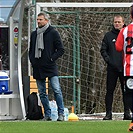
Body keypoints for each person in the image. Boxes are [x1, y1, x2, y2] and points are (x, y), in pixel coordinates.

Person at [29, 12, 65, 121]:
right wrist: (33, 61)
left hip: (50, 66)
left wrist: (51, 58)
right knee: (42, 92)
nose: (38, 21)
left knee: (56, 89)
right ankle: (47, 114)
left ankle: (61, 113)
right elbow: (31, 50)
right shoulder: (34, 34)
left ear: (46, 21)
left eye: (40, 19)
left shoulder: (53, 33)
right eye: (37, 19)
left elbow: (61, 49)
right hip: (38, 67)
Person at [100, 15, 131, 120]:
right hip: (112, 69)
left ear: (123, 23)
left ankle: (127, 113)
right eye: (115, 22)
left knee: (126, 91)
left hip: (125, 68)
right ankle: (108, 113)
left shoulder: (128, 34)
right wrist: (109, 61)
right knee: (109, 91)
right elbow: (103, 50)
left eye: (119, 22)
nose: (117, 24)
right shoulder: (108, 36)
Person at [115, 5, 133, 118]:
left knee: (129, 95)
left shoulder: (124, 30)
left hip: (129, 69)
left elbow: (118, 47)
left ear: (130, 16)